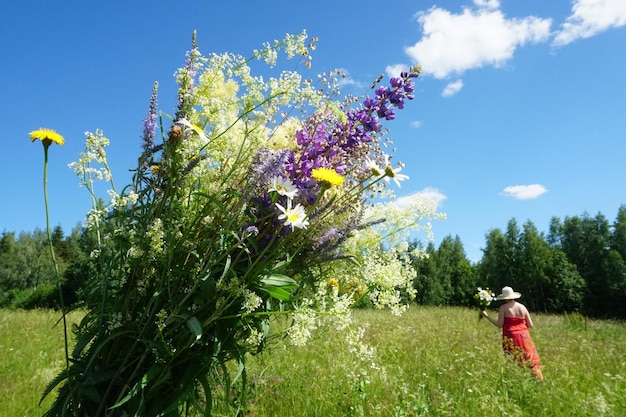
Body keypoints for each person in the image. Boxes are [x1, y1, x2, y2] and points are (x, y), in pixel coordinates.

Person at [481, 286, 544, 380]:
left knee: (513, 359)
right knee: (529, 358)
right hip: (525, 335)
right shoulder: (522, 307)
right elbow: (530, 324)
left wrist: (486, 316)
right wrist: (520, 328)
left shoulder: (503, 308)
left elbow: (499, 324)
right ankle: (538, 379)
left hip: (511, 336)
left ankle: (515, 379)